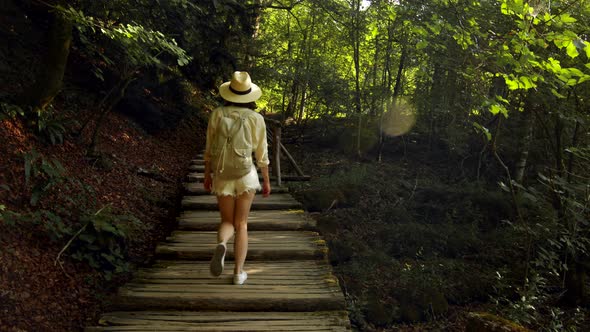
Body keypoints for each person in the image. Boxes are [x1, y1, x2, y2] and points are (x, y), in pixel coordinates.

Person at [203, 71, 271, 285]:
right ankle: (238, 273)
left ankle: (222, 242)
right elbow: (262, 154)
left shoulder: (217, 114)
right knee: (241, 223)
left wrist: (207, 174)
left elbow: (209, 148)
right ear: (249, 95)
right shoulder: (256, 118)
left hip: (222, 173)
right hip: (246, 175)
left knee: (226, 221)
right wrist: (266, 180)